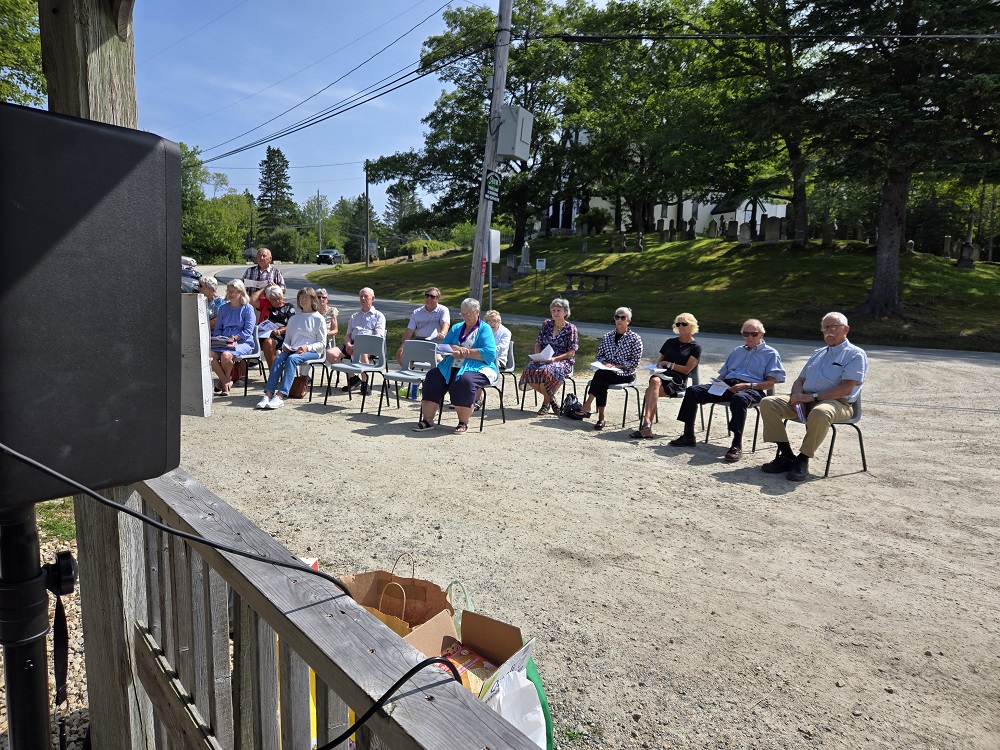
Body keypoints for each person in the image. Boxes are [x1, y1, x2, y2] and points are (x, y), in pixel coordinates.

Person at [758, 312, 868, 481]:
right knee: (768, 403)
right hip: (807, 399)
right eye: (825, 327)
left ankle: (803, 459)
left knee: (820, 413)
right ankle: (787, 456)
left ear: (846, 329)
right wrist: (796, 397)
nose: (828, 331)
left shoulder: (855, 354)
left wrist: (812, 398)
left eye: (833, 327)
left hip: (836, 403)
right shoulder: (818, 353)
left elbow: (846, 388)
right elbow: (800, 380)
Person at [669, 318, 785, 461]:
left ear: (762, 335)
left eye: (754, 334)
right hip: (729, 385)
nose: (749, 337)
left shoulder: (771, 354)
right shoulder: (737, 351)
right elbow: (723, 375)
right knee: (693, 390)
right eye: (746, 334)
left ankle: (736, 445)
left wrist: (747, 386)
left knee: (739, 398)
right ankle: (688, 435)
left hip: (752, 388)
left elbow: (770, 384)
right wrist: (718, 384)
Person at [412, 298, 497, 434]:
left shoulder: (484, 329)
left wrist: (466, 353)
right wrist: (455, 348)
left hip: (477, 367)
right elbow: (444, 346)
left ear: (477, 313)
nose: (465, 317)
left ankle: (463, 422)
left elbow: (490, 353)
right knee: (433, 377)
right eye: (463, 314)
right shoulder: (457, 327)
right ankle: (428, 420)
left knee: (464, 381)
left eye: (468, 314)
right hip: (450, 365)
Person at [630, 312, 702, 439]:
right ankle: (647, 421)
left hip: (677, 380)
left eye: (684, 324)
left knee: (650, 391)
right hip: (661, 376)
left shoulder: (695, 347)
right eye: (678, 324)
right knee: (654, 382)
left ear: (691, 325)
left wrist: (669, 364)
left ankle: (646, 427)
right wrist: (657, 367)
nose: (680, 326)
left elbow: (686, 370)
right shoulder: (670, 342)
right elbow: (660, 362)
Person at [570, 307, 643, 430]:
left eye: (623, 318)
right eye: (617, 317)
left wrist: (617, 366)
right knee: (602, 380)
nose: (619, 320)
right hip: (607, 371)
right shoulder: (607, 336)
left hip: (625, 373)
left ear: (629, 320)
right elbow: (599, 355)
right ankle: (601, 418)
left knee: (601, 374)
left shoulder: (635, 339)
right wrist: (605, 363)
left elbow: (635, 362)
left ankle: (587, 405)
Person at [256, 288, 328, 410]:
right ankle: (268, 394)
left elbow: (322, 343)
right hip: (293, 349)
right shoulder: (294, 319)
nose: (303, 300)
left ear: (312, 300)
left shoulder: (318, 318)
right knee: (279, 358)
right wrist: (285, 346)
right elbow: (288, 339)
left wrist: (307, 347)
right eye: (301, 298)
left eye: (306, 297)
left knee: (292, 359)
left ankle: (280, 396)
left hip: (312, 352)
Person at [518, 298, 579, 415]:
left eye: (558, 311)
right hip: (544, 358)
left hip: (562, 360)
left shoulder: (571, 328)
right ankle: (552, 400)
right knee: (528, 370)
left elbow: (572, 352)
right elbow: (538, 342)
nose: (555, 313)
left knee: (546, 372)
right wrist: (538, 355)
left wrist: (555, 359)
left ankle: (545, 404)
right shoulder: (547, 324)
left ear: (565, 312)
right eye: (553, 310)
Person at [326, 287, 386, 395]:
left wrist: (359, 346)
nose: (363, 298)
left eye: (366, 296)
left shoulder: (379, 316)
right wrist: (348, 344)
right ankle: (353, 377)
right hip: (352, 344)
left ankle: (364, 381)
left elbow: (378, 335)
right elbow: (348, 335)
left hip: (370, 346)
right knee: (330, 353)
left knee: (362, 352)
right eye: (361, 296)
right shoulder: (354, 316)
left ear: (372, 298)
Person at [209, 280, 255, 395]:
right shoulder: (224, 308)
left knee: (226, 355)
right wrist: (220, 337)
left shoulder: (247, 308)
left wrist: (235, 337)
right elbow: (218, 328)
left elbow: (248, 331)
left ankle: (223, 385)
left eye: (233, 291)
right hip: (225, 341)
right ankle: (225, 380)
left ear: (241, 293)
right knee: (210, 355)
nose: (230, 294)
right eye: (228, 291)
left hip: (242, 342)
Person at [396, 287, 450, 364]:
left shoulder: (443, 310)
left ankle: (445, 372)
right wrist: (403, 345)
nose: (428, 298)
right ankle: (411, 373)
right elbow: (409, 331)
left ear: (437, 299)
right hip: (420, 342)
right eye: (427, 296)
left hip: (436, 343)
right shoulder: (417, 312)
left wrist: (443, 333)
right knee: (400, 355)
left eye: (432, 297)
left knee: (437, 359)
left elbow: (446, 323)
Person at [258, 285, 296, 369]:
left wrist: (280, 331)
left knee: (268, 342)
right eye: (274, 300)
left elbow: (293, 325)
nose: (278, 301)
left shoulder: (288, 307)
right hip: (264, 334)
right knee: (249, 341)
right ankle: (242, 376)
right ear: (268, 299)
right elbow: (252, 300)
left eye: (279, 298)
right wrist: (264, 288)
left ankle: (274, 373)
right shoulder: (267, 306)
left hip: (282, 336)